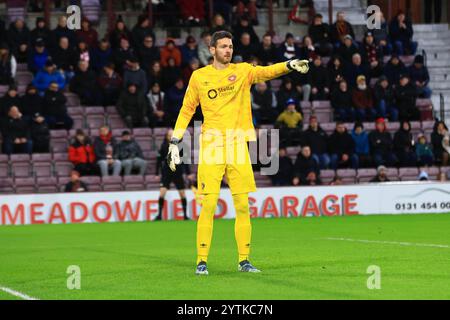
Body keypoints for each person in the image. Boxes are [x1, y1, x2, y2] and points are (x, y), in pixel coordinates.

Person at [167, 31, 309, 275]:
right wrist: (175, 140)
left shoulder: (242, 71)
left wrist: (288, 65)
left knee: (243, 206)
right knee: (209, 204)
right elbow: (187, 109)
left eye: (230, 46)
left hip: (237, 145)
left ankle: (244, 260)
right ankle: (202, 261)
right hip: (212, 145)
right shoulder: (199, 77)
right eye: (223, 46)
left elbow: (266, 71)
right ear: (212, 50)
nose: (228, 50)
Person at [154, 129, 191, 221]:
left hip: (177, 172)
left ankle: (185, 215)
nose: (171, 137)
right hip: (166, 172)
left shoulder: (182, 146)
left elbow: (185, 161)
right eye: (169, 135)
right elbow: (159, 160)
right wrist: (157, 173)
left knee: (182, 193)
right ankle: (159, 215)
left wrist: (188, 173)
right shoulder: (164, 146)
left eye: (173, 135)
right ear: (166, 137)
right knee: (162, 192)